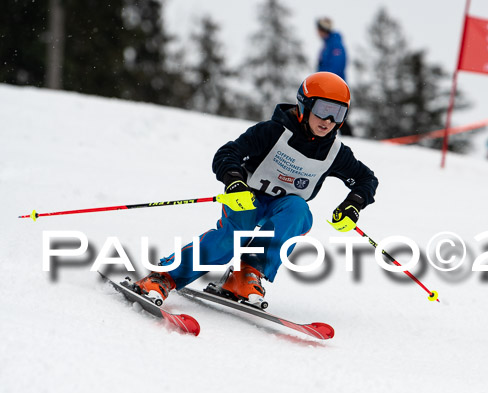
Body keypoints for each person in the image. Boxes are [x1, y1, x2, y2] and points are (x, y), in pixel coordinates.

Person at [133, 72, 378, 306]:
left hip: (282, 206)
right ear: (305, 105)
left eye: (338, 113)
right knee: (233, 237)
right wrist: (234, 182)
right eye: (324, 109)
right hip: (245, 197)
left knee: (299, 211)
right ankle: (164, 276)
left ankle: (245, 275)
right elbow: (227, 154)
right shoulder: (272, 132)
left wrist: (353, 204)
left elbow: (366, 179)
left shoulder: (335, 152)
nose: (329, 121)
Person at [316, 17, 353, 136]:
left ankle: (351, 139)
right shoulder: (327, 45)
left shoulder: (335, 44)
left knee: (337, 113)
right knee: (331, 112)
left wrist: (326, 82)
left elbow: (337, 66)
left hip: (333, 87)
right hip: (327, 85)